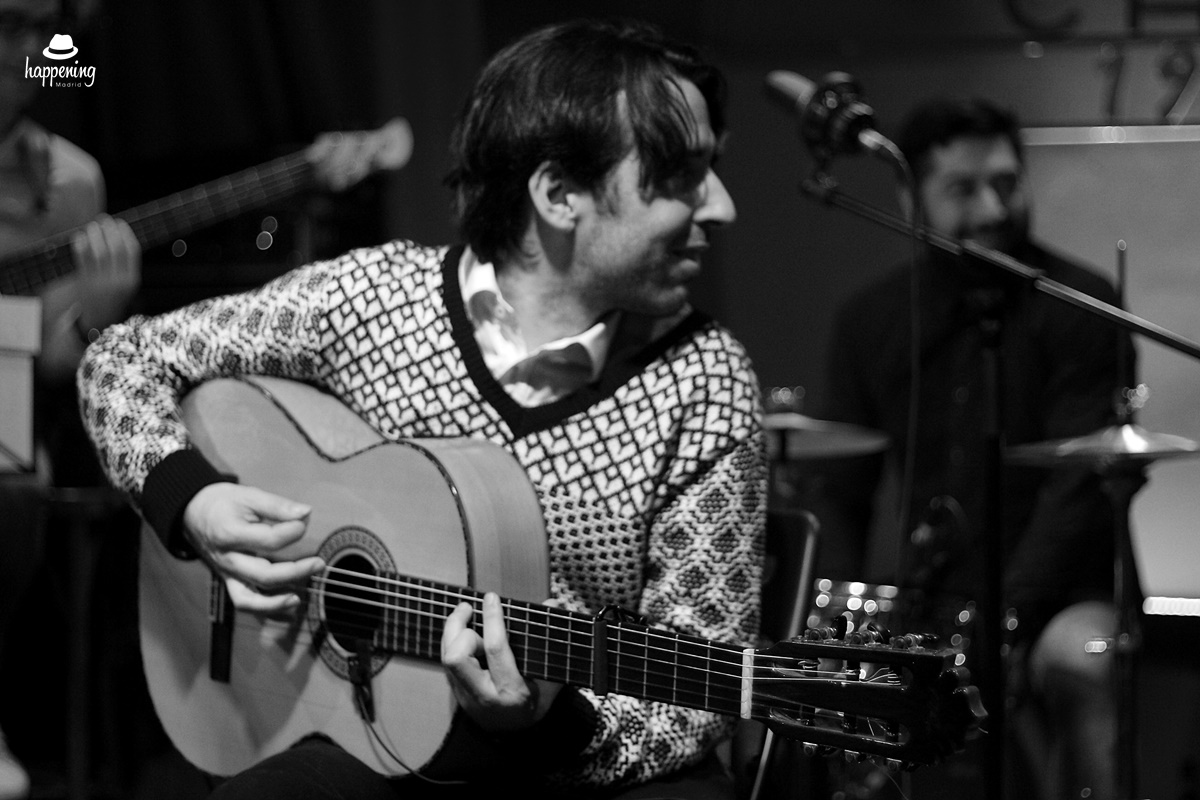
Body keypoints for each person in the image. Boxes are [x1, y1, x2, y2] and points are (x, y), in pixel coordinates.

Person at [76, 17, 766, 800]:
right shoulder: (371, 299)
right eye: (679, 177)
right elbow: (122, 358)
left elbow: (701, 685)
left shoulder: (705, 378)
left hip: (588, 762)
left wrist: (546, 726)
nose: (721, 206)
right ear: (559, 195)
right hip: (367, 732)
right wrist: (194, 500)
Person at [808, 97, 1134, 800]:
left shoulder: (1082, 303)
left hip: (1059, 595)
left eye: (1007, 184)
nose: (992, 208)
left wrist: (1002, 618)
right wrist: (837, 628)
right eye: (963, 189)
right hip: (929, 593)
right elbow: (839, 490)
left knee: (1083, 664)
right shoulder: (871, 321)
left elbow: (1076, 492)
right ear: (911, 199)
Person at [0, 1, 141, 797]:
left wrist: (94, 314)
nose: (32, 48)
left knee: (13, 489)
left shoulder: (73, 181)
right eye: (8, 23)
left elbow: (55, 359)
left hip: (6, 410)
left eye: (42, 28)